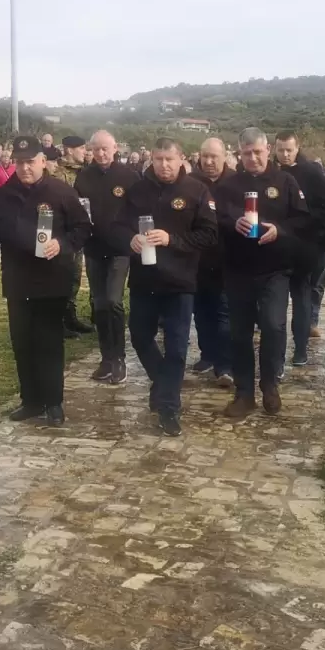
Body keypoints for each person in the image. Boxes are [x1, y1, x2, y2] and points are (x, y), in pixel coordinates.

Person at [0, 136, 90, 426]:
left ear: (42, 162)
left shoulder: (61, 192)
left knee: (49, 342)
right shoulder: (2, 196)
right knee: (22, 342)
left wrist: (62, 243)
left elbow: (83, 228)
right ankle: (32, 401)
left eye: (30, 162)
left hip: (52, 279)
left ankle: (54, 402)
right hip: (18, 279)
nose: (25, 168)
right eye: (20, 162)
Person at [109, 138, 217, 436]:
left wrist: (172, 240)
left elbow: (209, 235)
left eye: (169, 159)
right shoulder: (138, 190)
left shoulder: (196, 191)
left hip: (180, 281)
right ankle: (162, 383)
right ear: (152, 160)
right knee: (139, 336)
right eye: (158, 159)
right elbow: (117, 227)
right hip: (144, 279)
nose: (164, 165)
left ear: (181, 159)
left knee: (177, 347)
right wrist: (129, 239)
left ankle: (169, 408)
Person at [212, 128, 311, 418]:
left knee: (273, 325)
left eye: (257, 152)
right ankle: (244, 393)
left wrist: (280, 231)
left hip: (274, 269)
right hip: (238, 270)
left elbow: (303, 220)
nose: (253, 158)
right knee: (239, 333)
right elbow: (215, 218)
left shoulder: (285, 181)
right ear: (239, 153)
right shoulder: (229, 185)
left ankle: (270, 385)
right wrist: (233, 223)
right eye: (247, 153)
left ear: (268, 150)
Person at [274, 130, 325, 360]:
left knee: (302, 296)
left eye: (289, 150)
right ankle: (276, 351)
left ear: (298, 148)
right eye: (280, 150)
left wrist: (317, 238)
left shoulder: (311, 172)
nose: (285, 154)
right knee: (275, 301)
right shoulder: (272, 171)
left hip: (306, 245)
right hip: (276, 246)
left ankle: (300, 349)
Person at [75, 130, 140, 383]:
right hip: (94, 248)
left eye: (105, 148)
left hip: (120, 249)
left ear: (115, 149)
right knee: (100, 304)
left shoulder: (128, 176)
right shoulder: (84, 176)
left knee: (114, 301)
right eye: (96, 149)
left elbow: (139, 209)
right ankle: (106, 358)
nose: (101, 153)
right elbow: (78, 209)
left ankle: (119, 358)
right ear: (90, 150)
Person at [191, 137, 234, 385]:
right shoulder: (190, 183)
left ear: (224, 156)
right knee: (202, 311)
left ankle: (225, 364)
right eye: (204, 156)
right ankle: (207, 354)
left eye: (213, 157)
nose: (208, 161)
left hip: (228, 259)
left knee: (224, 313)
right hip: (198, 258)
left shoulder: (236, 182)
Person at [50, 135, 94, 336]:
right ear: (69, 150)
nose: (85, 152)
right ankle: (57, 320)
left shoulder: (85, 172)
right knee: (60, 275)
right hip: (61, 232)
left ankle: (70, 316)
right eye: (81, 148)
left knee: (75, 275)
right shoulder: (55, 173)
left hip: (78, 231)